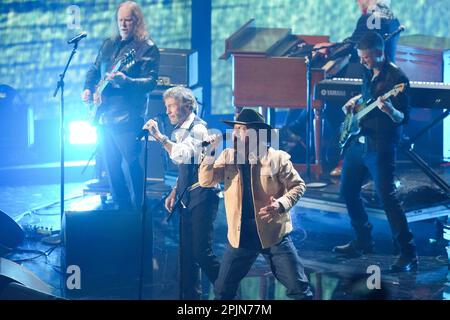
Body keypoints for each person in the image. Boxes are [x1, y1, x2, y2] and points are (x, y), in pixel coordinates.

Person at [199, 108, 313, 300]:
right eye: (234, 128)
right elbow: (206, 181)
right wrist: (210, 152)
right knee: (222, 292)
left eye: (240, 129)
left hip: (274, 235)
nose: (234, 133)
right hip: (240, 236)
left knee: (300, 289)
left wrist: (280, 204)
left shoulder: (277, 158)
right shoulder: (228, 156)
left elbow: (298, 185)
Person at [332, 32, 417, 272]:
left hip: (380, 146)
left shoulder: (398, 79)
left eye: (366, 58)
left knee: (387, 198)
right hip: (359, 142)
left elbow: (403, 118)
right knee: (348, 191)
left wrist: (390, 110)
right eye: (360, 58)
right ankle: (363, 240)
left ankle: (408, 252)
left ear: (379, 53)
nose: (363, 62)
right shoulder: (369, 72)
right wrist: (355, 101)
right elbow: (368, 95)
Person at [142, 86, 220, 300]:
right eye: (166, 107)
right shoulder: (183, 130)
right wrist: (175, 191)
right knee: (186, 255)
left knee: (201, 254)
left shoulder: (199, 129)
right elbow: (187, 167)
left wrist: (159, 136)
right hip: (187, 197)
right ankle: (189, 300)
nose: (167, 111)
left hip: (204, 197)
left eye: (171, 106)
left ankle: (229, 294)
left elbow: (182, 155)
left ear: (187, 105)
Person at [82, 1, 159, 209]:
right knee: (111, 166)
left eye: (128, 20)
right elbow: (94, 69)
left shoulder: (146, 48)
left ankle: (139, 212)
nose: (123, 24)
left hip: (127, 116)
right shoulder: (109, 44)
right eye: (120, 20)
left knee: (132, 165)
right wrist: (88, 88)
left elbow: (150, 82)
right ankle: (122, 209)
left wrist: (127, 81)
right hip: (104, 115)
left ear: (137, 21)